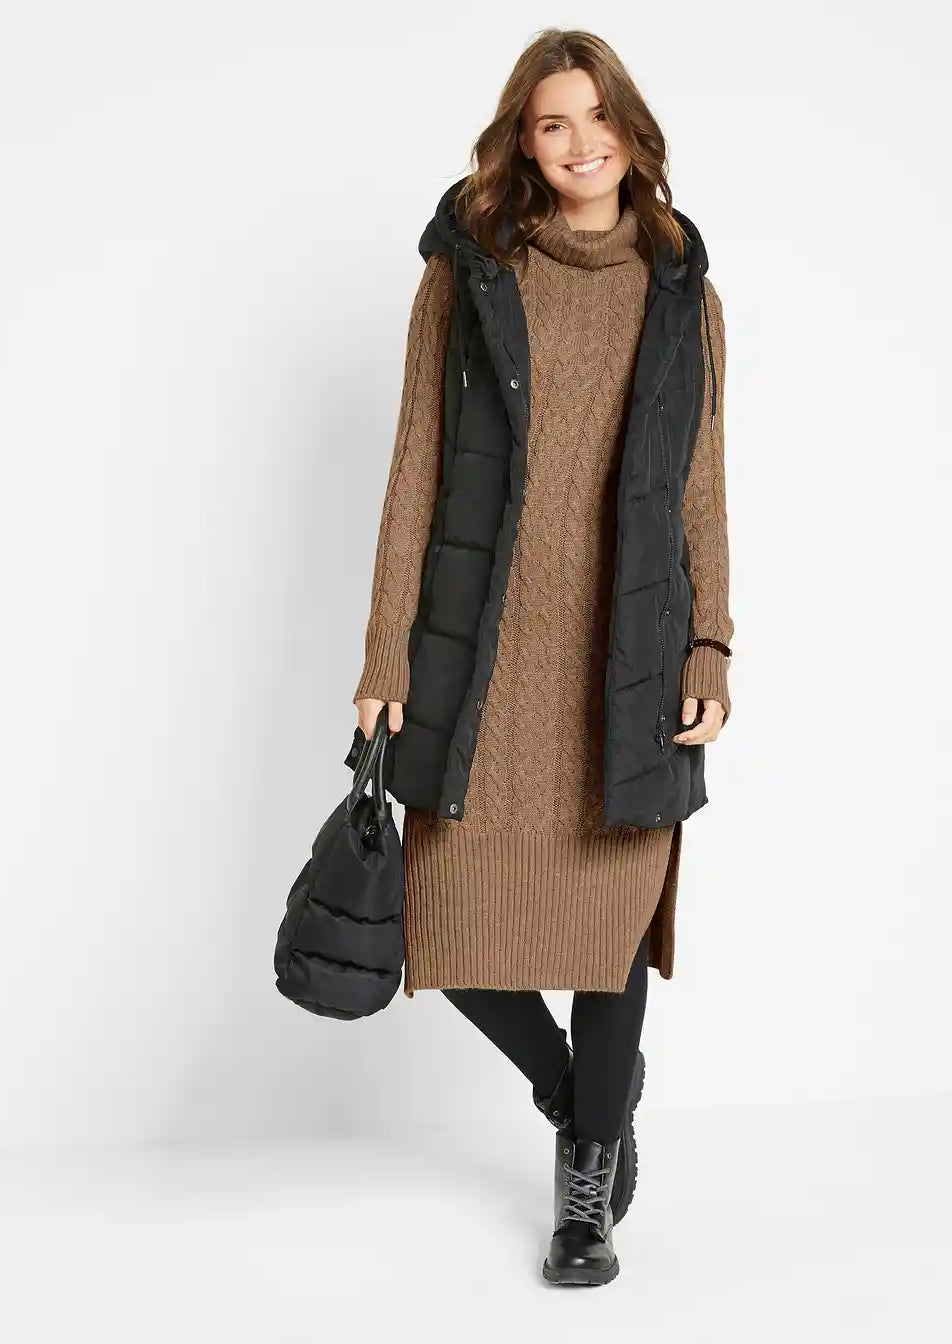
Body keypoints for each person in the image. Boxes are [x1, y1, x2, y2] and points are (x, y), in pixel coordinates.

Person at [351, 27, 733, 1287]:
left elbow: (701, 485)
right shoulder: (469, 274)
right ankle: (585, 1100)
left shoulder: (681, 290)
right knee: (439, 912)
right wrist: (385, 652)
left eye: (598, 117)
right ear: (522, 140)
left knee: (611, 932)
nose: (580, 143)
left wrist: (710, 646)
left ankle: (585, 1203)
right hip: (488, 650)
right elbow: (414, 467)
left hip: (629, 647)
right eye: (552, 122)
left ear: (632, 128)